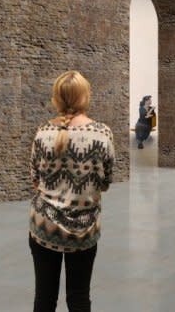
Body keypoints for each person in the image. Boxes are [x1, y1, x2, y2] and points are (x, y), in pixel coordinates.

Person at [29, 70, 115, 312]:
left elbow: (35, 180)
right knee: (79, 297)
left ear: (56, 98)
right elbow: (106, 182)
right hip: (83, 230)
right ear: (85, 96)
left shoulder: (43, 132)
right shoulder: (102, 134)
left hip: (44, 226)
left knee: (44, 298)